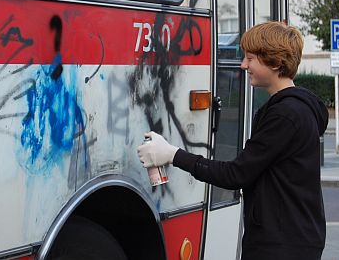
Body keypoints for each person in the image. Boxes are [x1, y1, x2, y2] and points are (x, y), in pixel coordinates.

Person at [137, 21, 328, 260]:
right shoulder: (294, 109)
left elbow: (235, 175)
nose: (243, 65)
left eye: (251, 59)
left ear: (276, 63)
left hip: (281, 245)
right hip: (293, 239)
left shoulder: (285, 115)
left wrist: (172, 155)